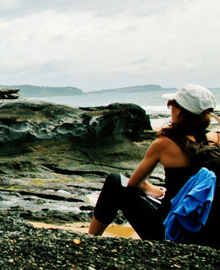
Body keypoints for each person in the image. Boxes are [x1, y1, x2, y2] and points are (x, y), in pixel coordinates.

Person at [88, 84, 219, 241]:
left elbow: (134, 184)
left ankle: (90, 239)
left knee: (115, 182)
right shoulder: (216, 139)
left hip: (171, 231)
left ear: (178, 111)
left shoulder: (164, 143)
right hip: (209, 233)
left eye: (171, 105)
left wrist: (153, 189)